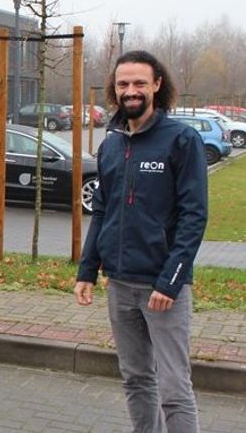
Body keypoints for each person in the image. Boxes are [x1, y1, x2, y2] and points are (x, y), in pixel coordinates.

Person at [75, 50, 207, 433]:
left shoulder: (181, 140)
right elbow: (102, 210)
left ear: (157, 85)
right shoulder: (111, 145)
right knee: (136, 379)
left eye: (139, 83)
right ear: (115, 90)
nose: (130, 91)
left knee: (174, 388)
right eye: (123, 84)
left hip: (162, 288)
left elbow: (194, 216)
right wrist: (87, 270)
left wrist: (170, 280)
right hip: (119, 284)